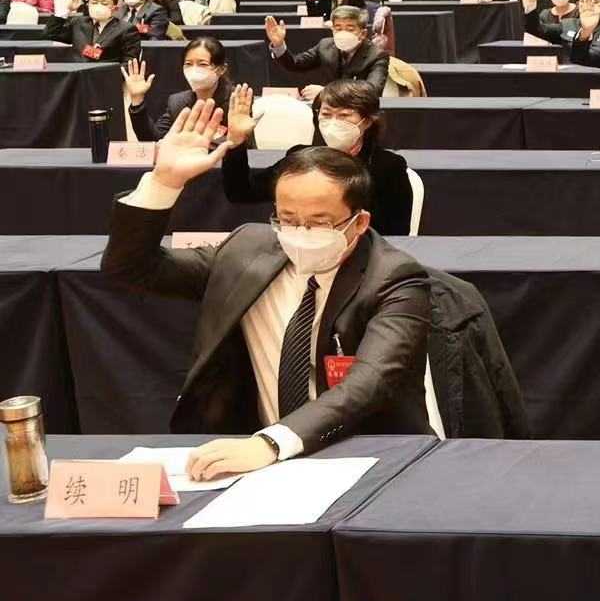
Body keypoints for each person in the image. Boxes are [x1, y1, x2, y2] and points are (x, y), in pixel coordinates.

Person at [100, 102, 431, 480]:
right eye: (287, 219)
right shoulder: (247, 251)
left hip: (364, 454)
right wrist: (164, 182)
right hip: (252, 460)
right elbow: (130, 268)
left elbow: (367, 384)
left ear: (359, 223)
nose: (300, 233)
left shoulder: (395, 278)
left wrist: (271, 443)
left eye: (319, 223)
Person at [224, 79, 415, 234]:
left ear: (367, 121)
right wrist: (236, 142)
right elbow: (240, 192)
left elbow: (396, 232)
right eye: (326, 114)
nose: (333, 122)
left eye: (344, 115)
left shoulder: (389, 167)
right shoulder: (300, 158)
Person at [125, 37, 233, 141]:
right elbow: (154, 139)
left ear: (221, 69)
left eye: (202, 64)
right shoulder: (177, 103)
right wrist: (137, 100)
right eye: (188, 64)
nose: (194, 70)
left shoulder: (236, 101)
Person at [265, 7, 387, 98]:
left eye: (350, 29)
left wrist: (326, 92)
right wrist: (279, 45)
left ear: (363, 33)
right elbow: (295, 64)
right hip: (327, 111)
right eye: (338, 28)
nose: (343, 33)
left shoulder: (377, 55)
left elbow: (372, 91)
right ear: (332, 30)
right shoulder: (325, 45)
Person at [64, 0, 142, 64]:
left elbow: (129, 60)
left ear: (115, 8)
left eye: (104, 3)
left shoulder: (126, 29)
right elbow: (56, 33)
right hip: (77, 70)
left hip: (106, 71)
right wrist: (67, 10)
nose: (98, 6)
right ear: (88, 5)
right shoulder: (78, 22)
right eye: (94, 3)